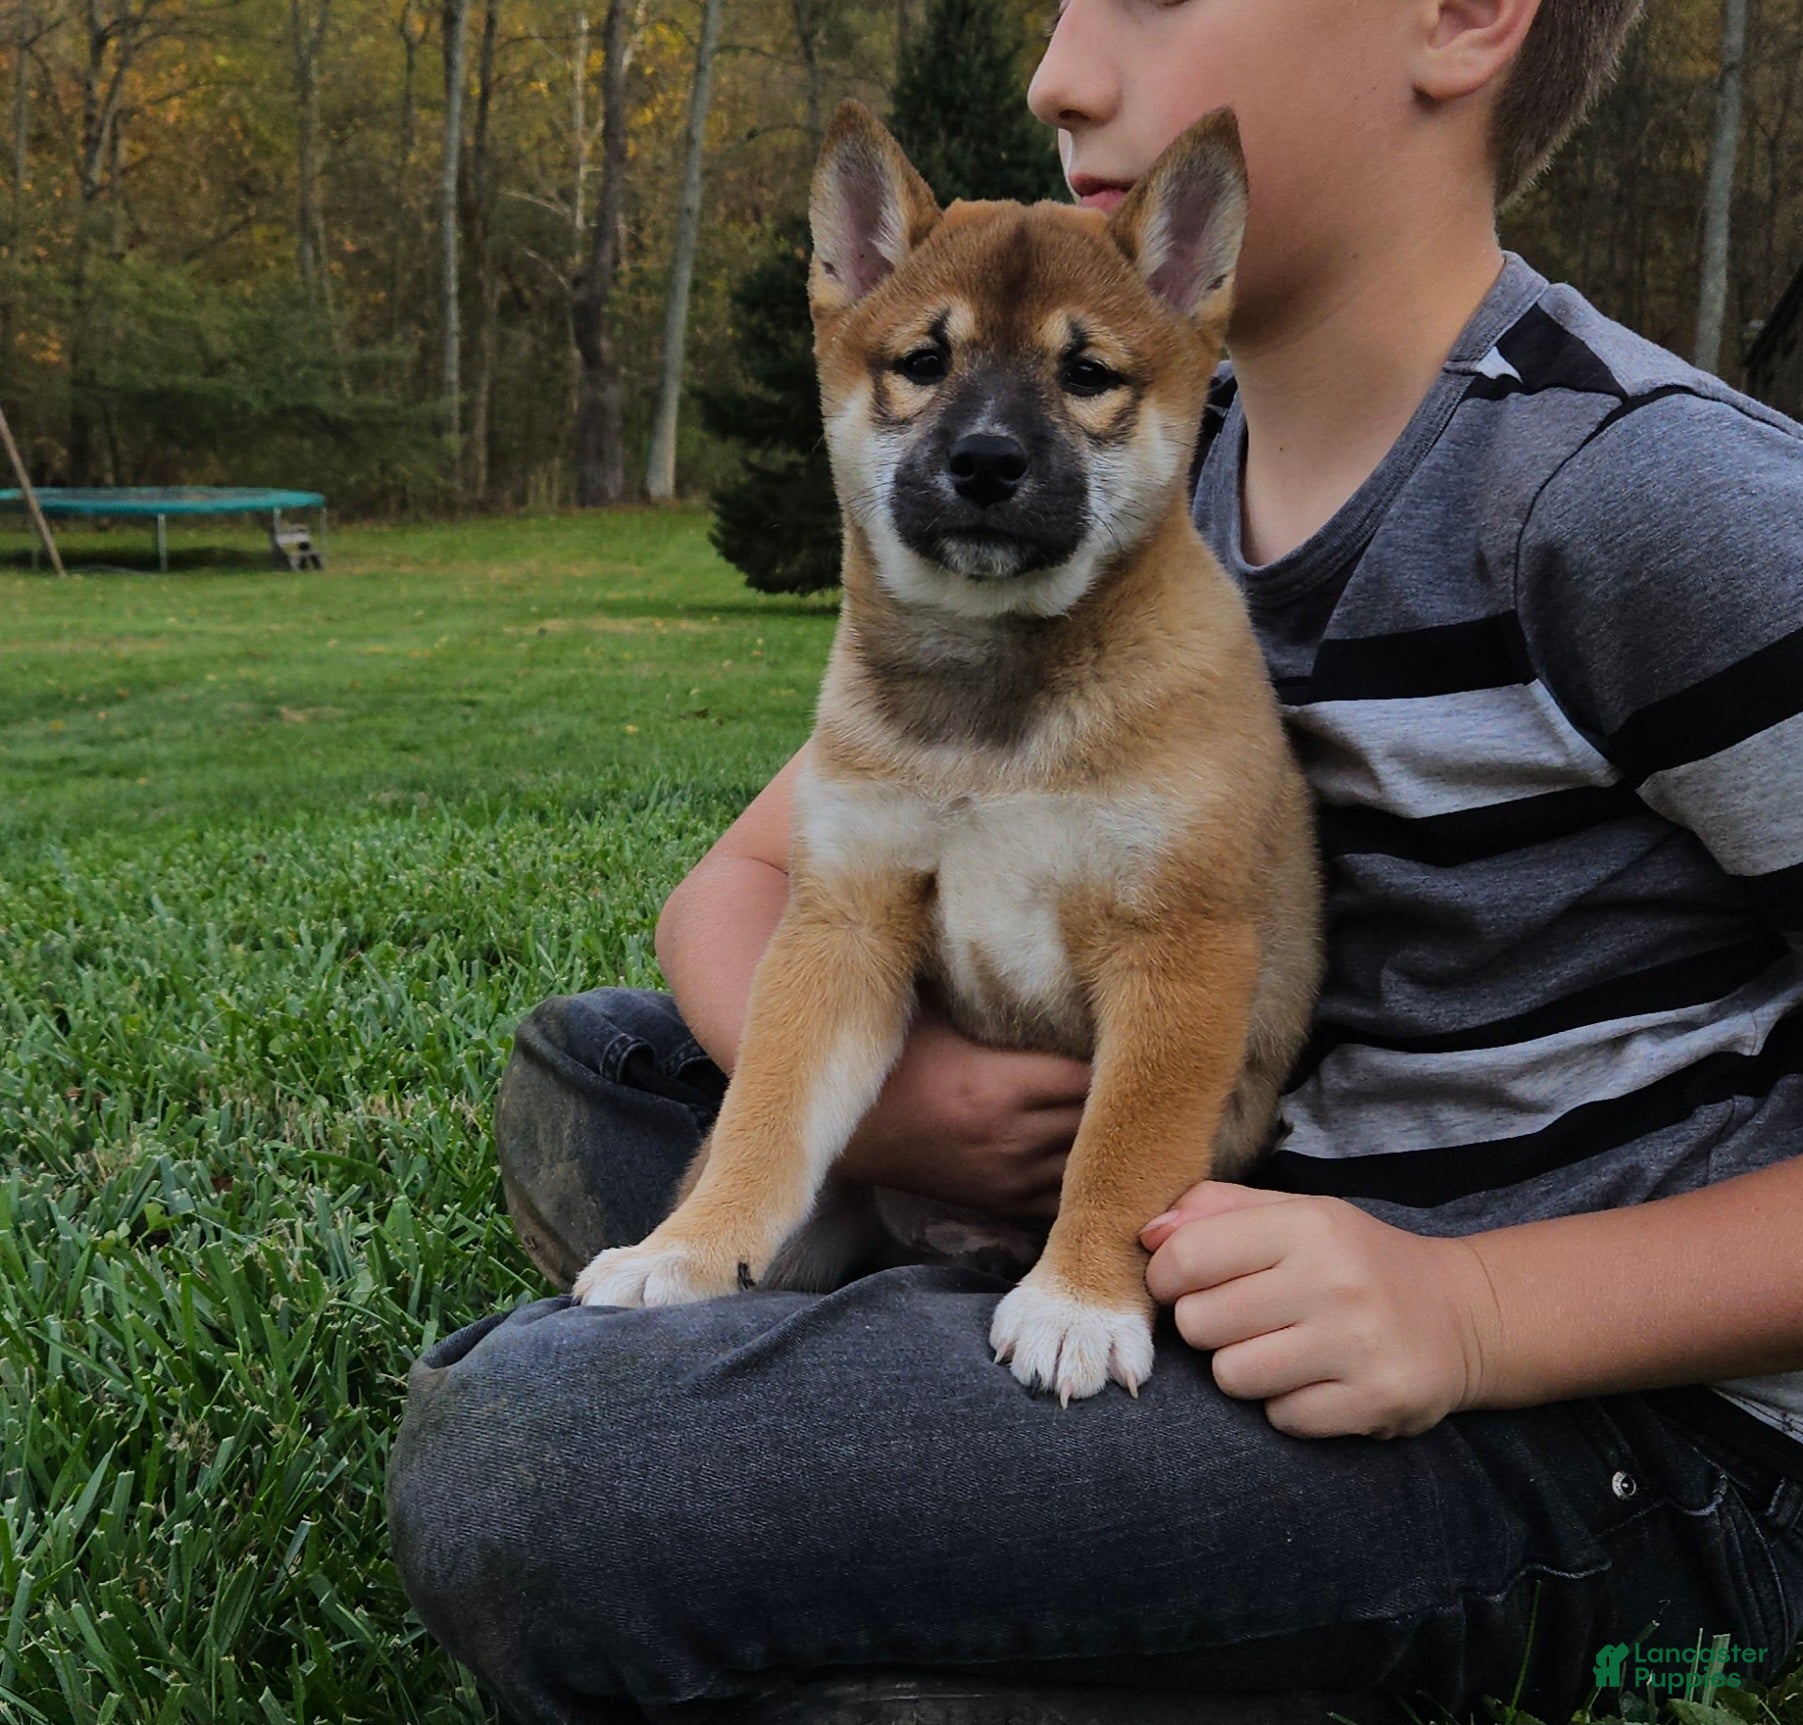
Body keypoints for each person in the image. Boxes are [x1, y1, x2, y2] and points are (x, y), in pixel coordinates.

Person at [385, 0, 1803, 1719]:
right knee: (598, 1061)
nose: (1057, 71)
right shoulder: (1164, 467)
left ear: (1459, 17)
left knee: (536, 1466)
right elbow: (763, 892)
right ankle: (928, 1426)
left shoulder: (1655, 503)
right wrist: (905, 1112)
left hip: (1614, 1434)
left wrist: (1475, 1310)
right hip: (1235, 1222)